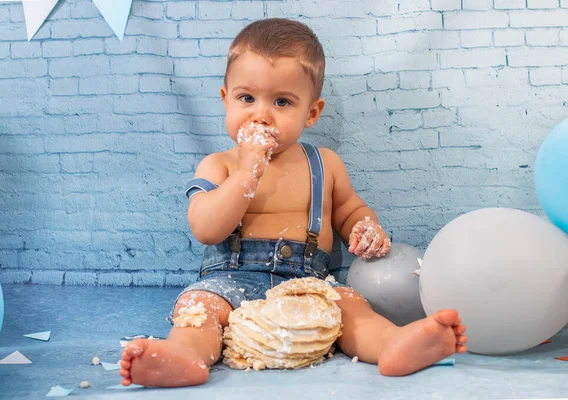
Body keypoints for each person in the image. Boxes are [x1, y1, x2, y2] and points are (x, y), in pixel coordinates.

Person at [119, 18, 467, 388]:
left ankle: (393, 345)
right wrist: (246, 175)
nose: (261, 114)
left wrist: (365, 226)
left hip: (310, 283)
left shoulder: (325, 164)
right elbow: (206, 229)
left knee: (352, 308)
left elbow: (350, 210)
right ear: (226, 98)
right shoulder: (220, 164)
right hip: (229, 281)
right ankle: (183, 357)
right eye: (246, 98)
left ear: (312, 113)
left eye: (282, 101)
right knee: (198, 312)